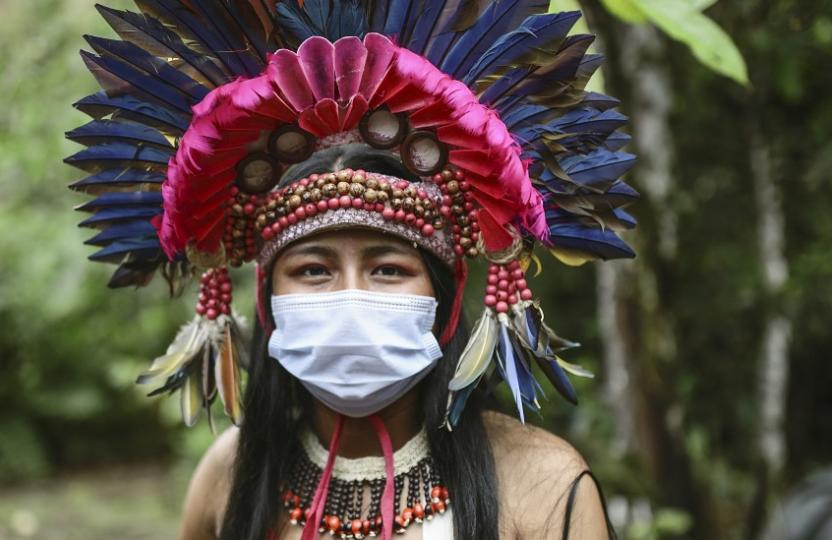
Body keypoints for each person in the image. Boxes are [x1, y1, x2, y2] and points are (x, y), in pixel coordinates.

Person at [66, 2, 637, 538]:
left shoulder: (544, 483)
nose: (350, 297)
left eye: (388, 269)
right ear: (266, 296)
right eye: (313, 270)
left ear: (444, 294)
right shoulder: (229, 477)